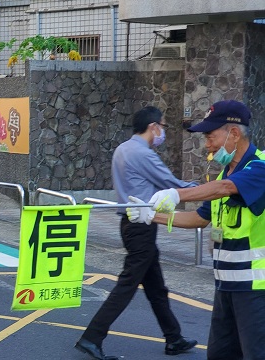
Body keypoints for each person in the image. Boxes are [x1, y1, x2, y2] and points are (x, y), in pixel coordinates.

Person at [129, 100, 265, 360]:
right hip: (226, 286)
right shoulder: (224, 174)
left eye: (211, 136)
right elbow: (200, 219)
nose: (207, 144)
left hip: (256, 290)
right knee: (219, 354)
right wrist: (151, 216)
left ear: (234, 134)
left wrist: (176, 193)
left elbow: (226, 189)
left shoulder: (259, 167)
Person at [75, 106, 198, 360]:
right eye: (162, 126)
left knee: (155, 287)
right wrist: (208, 188)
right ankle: (92, 336)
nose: (163, 132)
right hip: (142, 225)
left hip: (130, 224)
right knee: (127, 284)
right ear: (153, 127)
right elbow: (173, 185)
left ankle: (173, 337)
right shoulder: (144, 154)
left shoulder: (122, 149)